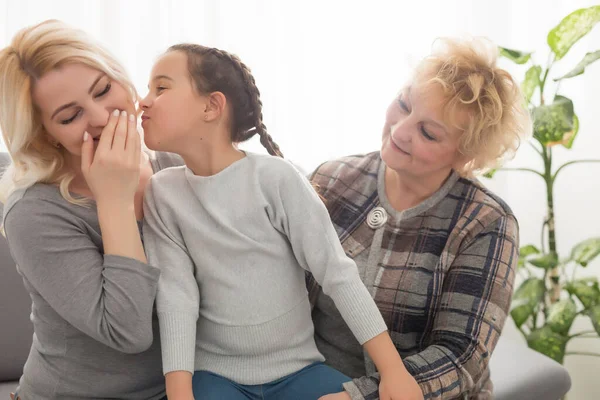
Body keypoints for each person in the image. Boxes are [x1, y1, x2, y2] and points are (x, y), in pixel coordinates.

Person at [140, 44, 423, 400]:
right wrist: (180, 394)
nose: (143, 101)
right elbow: (176, 298)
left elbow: (336, 273)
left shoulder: (276, 179)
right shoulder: (163, 193)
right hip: (214, 379)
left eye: (160, 88)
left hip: (300, 372)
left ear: (212, 106)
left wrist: (393, 372)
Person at [308, 37, 531, 400]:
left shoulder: (486, 223)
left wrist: (358, 396)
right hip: (308, 380)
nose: (399, 130)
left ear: (466, 156)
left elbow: (461, 355)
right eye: (403, 104)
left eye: (428, 132)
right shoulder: (333, 179)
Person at [0, 20, 182, 400]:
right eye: (70, 116)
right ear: (45, 133)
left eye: (103, 90)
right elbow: (127, 332)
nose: (100, 117)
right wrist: (115, 202)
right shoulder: (33, 213)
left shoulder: (173, 162)